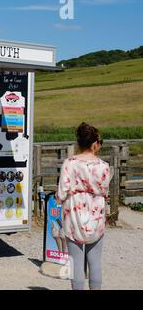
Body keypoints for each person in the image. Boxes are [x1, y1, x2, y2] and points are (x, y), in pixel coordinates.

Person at [56, 122, 111, 290]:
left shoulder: (69, 164)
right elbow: (105, 192)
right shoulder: (104, 166)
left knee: (76, 264)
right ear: (95, 143)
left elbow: (60, 196)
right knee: (95, 262)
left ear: (79, 142)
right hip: (96, 217)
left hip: (73, 217)